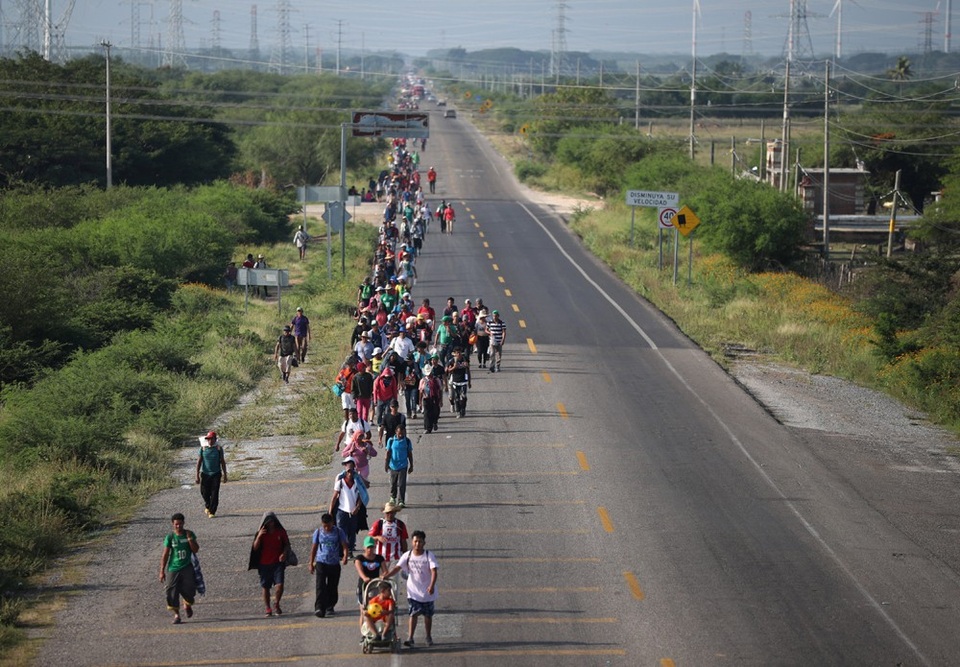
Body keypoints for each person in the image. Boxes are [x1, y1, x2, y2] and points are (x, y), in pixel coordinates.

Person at [385, 530, 438, 648]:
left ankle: (428, 636)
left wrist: (432, 585)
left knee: (428, 616)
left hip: (427, 593)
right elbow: (397, 568)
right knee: (413, 615)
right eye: (415, 541)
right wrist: (386, 576)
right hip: (413, 592)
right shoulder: (407, 555)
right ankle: (410, 638)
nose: (417, 544)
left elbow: (434, 571)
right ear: (412, 542)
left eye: (420, 541)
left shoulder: (429, 555)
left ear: (424, 542)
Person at [159, 512, 199, 625]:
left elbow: (196, 550)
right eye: (176, 524)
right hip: (173, 568)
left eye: (180, 524)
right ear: (173, 524)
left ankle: (187, 603)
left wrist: (190, 539)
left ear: (183, 523)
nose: (178, 526)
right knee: (171, 591)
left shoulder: (189, 534)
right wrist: (162, 571)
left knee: (190, 590)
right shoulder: (170, 537)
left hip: (187, 567)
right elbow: (165, 554)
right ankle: (177, 615)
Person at [250, 511, 291, 616]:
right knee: (266, 587)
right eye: (268, 522)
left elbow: (287, 544)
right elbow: (255, 548)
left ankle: (276, 603)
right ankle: (268, 608)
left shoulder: (281, 531)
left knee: (280, 585)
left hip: (278, 563)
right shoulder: (261, 533)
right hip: (264, 564)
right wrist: (259, 536)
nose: (270, 524)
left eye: (272, 521)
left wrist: (284, 553)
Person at [308, 512, 349, 618]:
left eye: (328, 525)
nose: (326, 528)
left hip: (334, 563)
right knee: (320, 586)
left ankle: (330, 605)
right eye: (324, 525)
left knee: (332, 586)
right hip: (321, 562)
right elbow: (314, 547)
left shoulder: (339, 532)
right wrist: (311, 563)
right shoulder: (318, 532)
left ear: (332, 523)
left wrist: (345, 556)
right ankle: (319, 607)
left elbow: (344, 545)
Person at [330, 457, 368, 555]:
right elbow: (334, 497)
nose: (350, 473)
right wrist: (330, 511)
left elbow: (361, 495)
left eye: (351, 469)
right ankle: (342, 551)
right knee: (341, 532)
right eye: (348, 470)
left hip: (353, 512)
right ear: (345, 468)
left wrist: (357, 507)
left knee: (352, 532)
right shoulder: (340, 481)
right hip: (342, 511)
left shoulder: (357, 481)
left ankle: (349, 550)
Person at [195, 430, 227, 518]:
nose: (210, 441)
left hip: (216, 474)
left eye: (211, 439)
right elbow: (199, 462)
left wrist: (225, 475)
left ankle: (212, 512)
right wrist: (197, 475)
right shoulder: (203, 449)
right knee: (204, 492)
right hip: (205, 474)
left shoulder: (218, 449)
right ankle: (208, 505)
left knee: (214, 493)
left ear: (215, 439)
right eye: (208, 439)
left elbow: (222, 462)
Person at [368, 501, 408, 568]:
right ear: (384, 513)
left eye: (391, 512)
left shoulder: (400, 524)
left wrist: (405, 557)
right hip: (380, 559)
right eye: (387, 513)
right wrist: (377, 537)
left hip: (396, 559)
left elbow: (404, 541)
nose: (390, 515)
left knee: (393, 578)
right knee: (380, 578)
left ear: (395, 513)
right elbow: (369, 539)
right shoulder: (378, 524)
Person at [384, 424, 413, 508]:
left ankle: (401, 500)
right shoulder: (391, 440)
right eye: (399, 433)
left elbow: (410, 453)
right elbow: (388, 452)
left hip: (403, 465)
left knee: (401, 484)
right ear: (396, 432)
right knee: (393, 483)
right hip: (393, 465)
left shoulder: (407, 441)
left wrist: (411, 465)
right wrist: (386, 464)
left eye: (402, 433)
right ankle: (392, 497)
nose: (401, 435)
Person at [445, 347, 471, 418]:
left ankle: (463, 408)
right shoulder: (452, 360)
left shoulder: (465, 359)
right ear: (455, 354)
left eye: (459, 352)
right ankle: (458, 412)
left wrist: (469, 381)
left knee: (463, 397)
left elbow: (468, 371)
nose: (458, 354)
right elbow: (447, 370)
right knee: (456, 397)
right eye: (457, 353)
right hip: (455, 382)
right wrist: (454, 367)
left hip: (464, 381)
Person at [419, 364, 443, 434]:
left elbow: (440, 390)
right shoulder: (422, 381)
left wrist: (441, 400)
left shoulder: (437, 379)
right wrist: (420, 402)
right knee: (426, 414)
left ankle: (434, 422)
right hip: (426, 398)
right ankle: (427, 428)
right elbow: (420, 391)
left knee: (435, 412)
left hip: (435, 398)